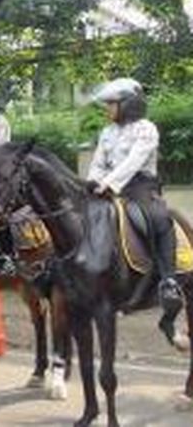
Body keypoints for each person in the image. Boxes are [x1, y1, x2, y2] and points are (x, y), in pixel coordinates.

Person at [87, 77, 182, 325]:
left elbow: (134, 162)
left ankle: (168, 281)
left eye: (112, 104)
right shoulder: (107, 133)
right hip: (108, 188)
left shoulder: (147, 128)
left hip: (140, 188)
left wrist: (109, 183)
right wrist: (92, 182)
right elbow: (97, 163)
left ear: (128, 104)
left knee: (159, 217)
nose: (107, 108)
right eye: (107, 104)